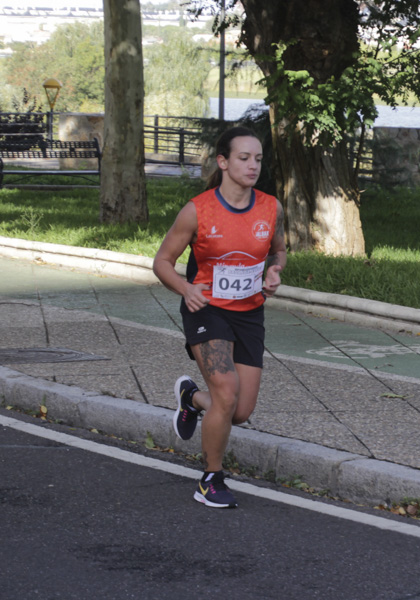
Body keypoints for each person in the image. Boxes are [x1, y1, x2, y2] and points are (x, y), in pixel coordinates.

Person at [152, 126, 286, 509]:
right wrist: (185, 288)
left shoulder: (270, 207)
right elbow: (162, 262)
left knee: (239, 411)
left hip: (249, 312)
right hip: (205, 308)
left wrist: (274, 270)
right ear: (223, 162)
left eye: (258, 158)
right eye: (244, 158)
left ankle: (191, 398)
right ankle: (211, 478)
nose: (253, 165)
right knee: (226, 393)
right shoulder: (198, 210)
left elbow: (278, 250)